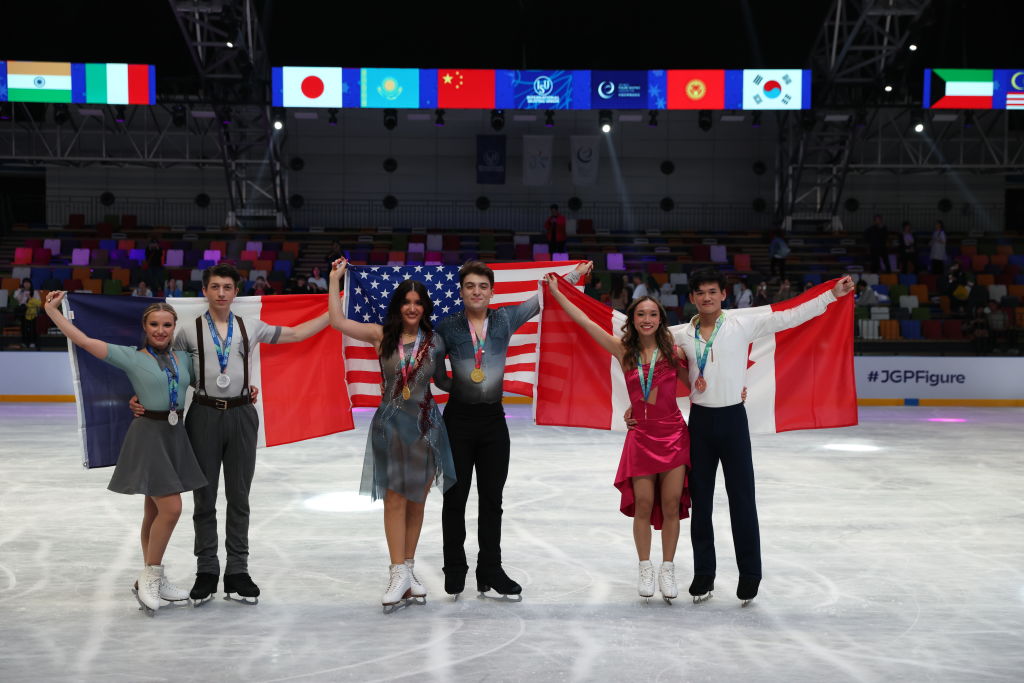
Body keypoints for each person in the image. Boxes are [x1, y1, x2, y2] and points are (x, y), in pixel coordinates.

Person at [130, 264, 330, 605]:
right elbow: (159, 360)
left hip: (241, 415)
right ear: (205, 291)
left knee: (239, 496)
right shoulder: (188, 331)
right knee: (204, 498)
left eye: (227, 287)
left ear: (236, 292)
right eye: (215, 287)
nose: (222, 293)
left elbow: (296, 334)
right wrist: (142, 396)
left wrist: (333, 310)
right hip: (203, 416)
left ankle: (238, 570)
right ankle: (206, 570)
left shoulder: (250, 326)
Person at [666, 268, 854, 605]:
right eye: (701, 293)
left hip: (734, 422)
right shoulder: (679, 334)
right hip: (700, 424)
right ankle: (703, 576)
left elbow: (791, 316)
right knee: (701, 504)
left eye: (713, 291)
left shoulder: (743, 323)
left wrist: (831, 296)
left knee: (742, 500)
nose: (707, 298)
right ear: (692, 298)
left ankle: (750, 575)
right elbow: (637, 337)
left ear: (723, 294)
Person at [43, 293, 206, 615]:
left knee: (153, 510)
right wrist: (51, 310)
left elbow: (212, 381)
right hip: (148, 436)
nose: (161, 330)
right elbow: (84, 341)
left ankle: (149, 575)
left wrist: (247, 389)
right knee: (171, 509)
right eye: (154, 324)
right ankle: (152, 574)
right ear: (144, 327)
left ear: (174, 327)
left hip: (175, 435)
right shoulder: (131, 356)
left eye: (167, 325)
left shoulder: (185, 358)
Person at [437, 259, 590, 599]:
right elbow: (437, 374)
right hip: (457, 423)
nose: (477, 291)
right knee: (455, 499)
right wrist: (464, 385)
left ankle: (489, 568)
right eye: (470, 286)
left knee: (492, 500)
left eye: (483, 286)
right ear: (461, 292)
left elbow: (542, 298)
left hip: (493, 423)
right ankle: (455, 567)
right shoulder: (447, 326)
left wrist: (575, 275)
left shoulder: (505, 318)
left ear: (492, 291)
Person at [545, 276, 691, 601]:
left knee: (670, 504)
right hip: (642, 438)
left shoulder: (677, 351)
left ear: (661, 320)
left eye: (653, 314)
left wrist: (736, 388)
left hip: (674, 436)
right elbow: (583, 322)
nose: (647, 319)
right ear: (633, 320)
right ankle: (645, 567)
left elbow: (701, 381)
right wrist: (558, 292)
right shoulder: (623, 351)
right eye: (641, 315)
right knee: (643, 503)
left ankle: (667, 568)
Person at [327, 259, 455, 611]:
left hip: (427, 425)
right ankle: (397, 570)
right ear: (399, 305)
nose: (412, 307)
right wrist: (334, 279)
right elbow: (338, 322)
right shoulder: (381, 335)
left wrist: (475, 375)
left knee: (418, 499)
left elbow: (443, 380)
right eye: (406, 301)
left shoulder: (436, 339)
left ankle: (410, 569)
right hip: (391, 424)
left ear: (425, 307)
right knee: (396, 498)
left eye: (418, 302)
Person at [14, 279, 41, 349]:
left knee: (32, 328)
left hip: (32, 313)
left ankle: (32, 342)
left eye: (28, 283)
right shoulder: (20, 291)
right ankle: (24, 343)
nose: (26, 285)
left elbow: (38, 303)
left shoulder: (34, 292)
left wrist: (30, 298)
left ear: (30, 284)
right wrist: (20, 291)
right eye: (25, 283)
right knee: (24, 328)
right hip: (23, 312)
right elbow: (16, 297)